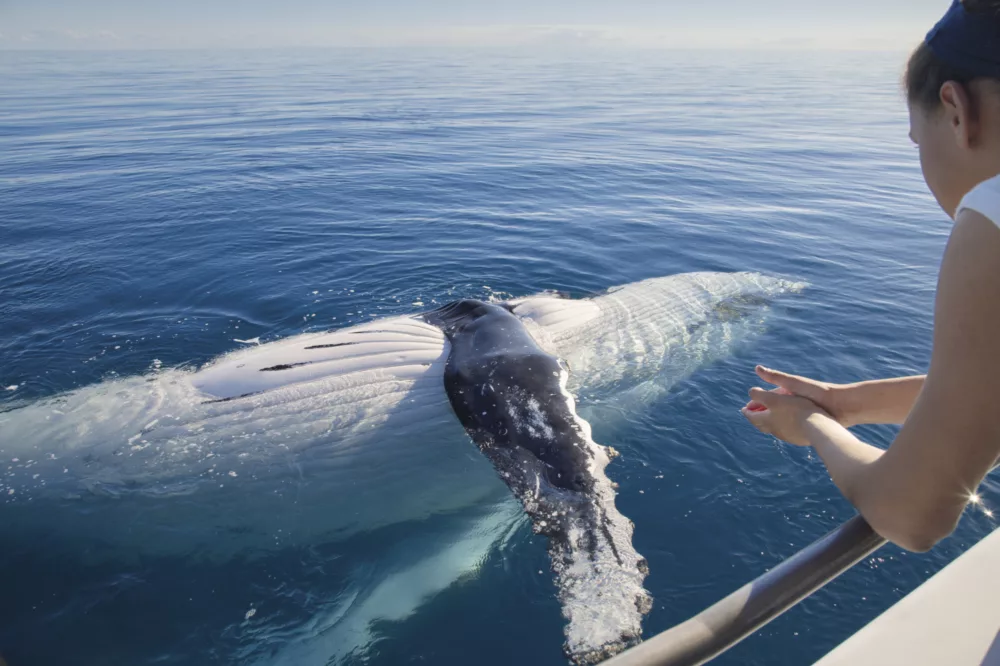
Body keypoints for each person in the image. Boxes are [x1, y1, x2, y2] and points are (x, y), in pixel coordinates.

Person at [741, 0, 1000, 553]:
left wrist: (810, 425)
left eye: (916, 138)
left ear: (956, 110)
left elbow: (911, 514)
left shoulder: (992, 220)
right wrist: (848, 403)